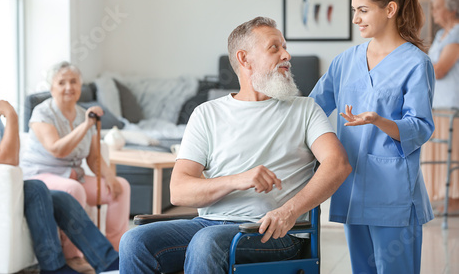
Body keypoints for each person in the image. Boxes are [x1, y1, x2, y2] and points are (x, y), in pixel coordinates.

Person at [119, 16, 352, 274]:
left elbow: (338, 164)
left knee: (207, 243)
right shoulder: (206, 114)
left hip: (272, 231)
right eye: (275, 47)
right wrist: (237, 180)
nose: (287, 54)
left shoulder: (305, 109)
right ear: (244, 59)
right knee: (134, 241)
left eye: (284, 47)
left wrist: (288, 212)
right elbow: (179, 191)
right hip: (208, 225)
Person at [309, 0, 435, 274]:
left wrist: (380, 121)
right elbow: (311, 109)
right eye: (354, 10)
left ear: (390, 9)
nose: (355, 19)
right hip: (351, 187)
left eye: (362, 10)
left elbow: (420, 126)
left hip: (394, 194)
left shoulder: (416, 63)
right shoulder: (344, 61)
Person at [0, 62, 119, 274]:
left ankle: (110, 262)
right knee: (36, 189)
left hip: (6, 185)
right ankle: (54, 268)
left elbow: (12, 155)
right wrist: (13, 116)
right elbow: (8, 159)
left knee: (63, 198)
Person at [20, 61, 130, 258]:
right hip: (41, 175)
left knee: (120, 187)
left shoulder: (83, 114)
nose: (69, 87)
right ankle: (73, 256)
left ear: (80, 86)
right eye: (62, 83)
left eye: (74, 82)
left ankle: (114, 252)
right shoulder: (42, 113)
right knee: (73, 189)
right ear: (51, 87)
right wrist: (87, 125)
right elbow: (57, 150)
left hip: (73, 176)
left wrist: (110, 178)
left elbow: (94, 158)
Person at [421, 0, 459, 214]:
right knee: (437, 152)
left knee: (452, 152)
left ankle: (454, 199)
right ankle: (443, 196)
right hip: (437, 103)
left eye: (437, 7)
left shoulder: (456, 33)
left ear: (451, 9)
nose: (433, 12)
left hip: (452, 103)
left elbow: (442, 69)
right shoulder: (439, 35)